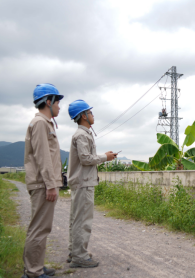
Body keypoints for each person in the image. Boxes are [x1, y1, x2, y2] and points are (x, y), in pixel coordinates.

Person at [67, 100, 117, 268]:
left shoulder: (84, 134)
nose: (92, 115)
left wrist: (104, 156)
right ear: (83, 116)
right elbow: (86, 159)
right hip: (84, 183)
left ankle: (74, 251)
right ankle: (79, 256)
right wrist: (105, 157)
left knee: (76, 218)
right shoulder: (81, 135)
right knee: (83, 220)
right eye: (90, 112)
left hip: (82, 182)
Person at [22, 84, 64, 278]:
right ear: (49, 101)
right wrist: (51, 184)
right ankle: (33, 272)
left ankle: (36, 266)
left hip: (42, 182)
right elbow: (43, 156)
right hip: (42, 183)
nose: (59, 107)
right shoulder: (40, 123)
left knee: (42, 227)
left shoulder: (44, 123)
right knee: (39, 228)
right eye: (58, 101)